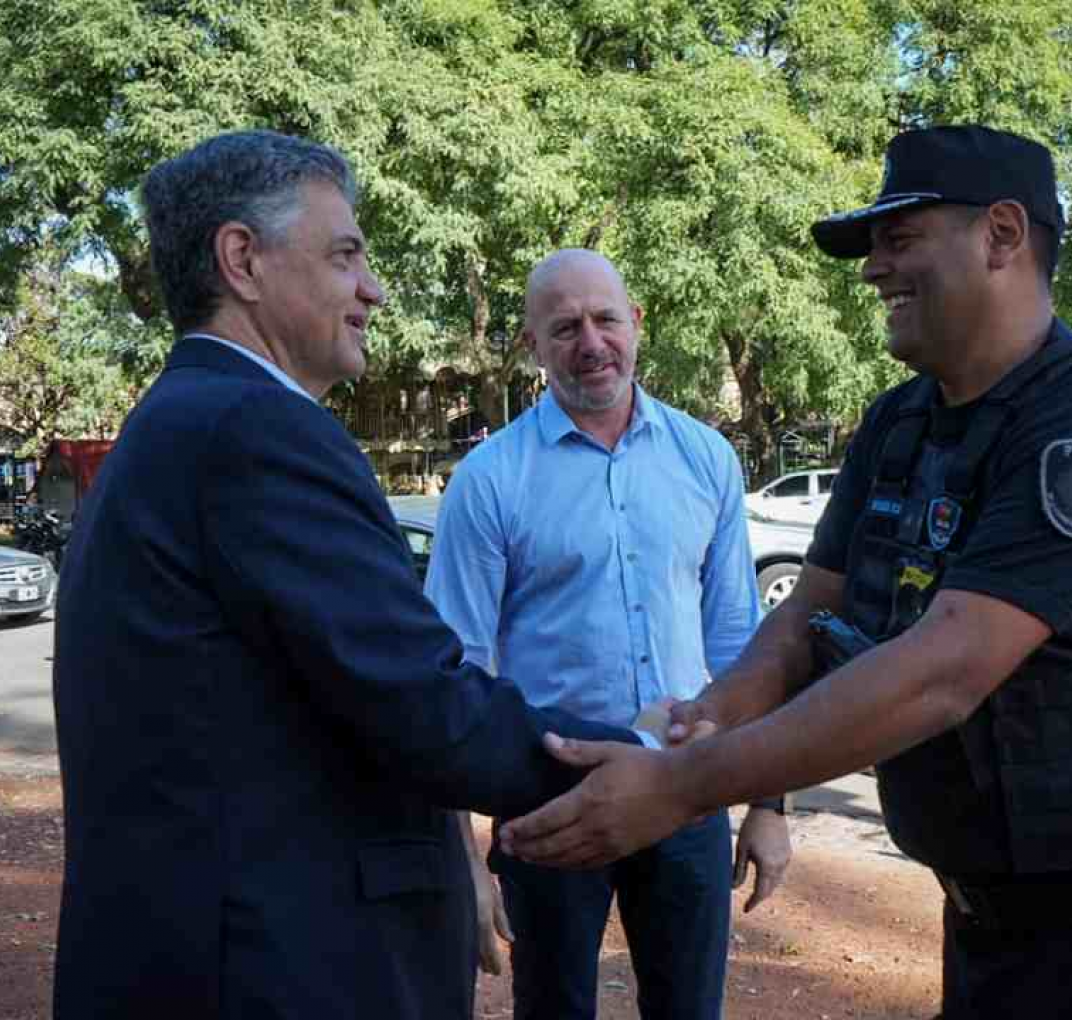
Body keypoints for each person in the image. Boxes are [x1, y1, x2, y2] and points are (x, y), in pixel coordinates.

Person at [497, 126, 1072, 1019]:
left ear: (1002, 235)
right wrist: (709, 716)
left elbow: (943, 673)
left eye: (900, 239)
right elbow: (807, 617)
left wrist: (680, 788)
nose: (872, 270)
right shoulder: (902, 426)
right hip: (988, 921)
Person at [50, 130, 647, 1020]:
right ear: (242, 260)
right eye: (344, 255)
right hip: (271, 968)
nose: (373, 288)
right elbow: (420, 703)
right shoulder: (255, 428)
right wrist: (652, 762)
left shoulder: (186, 418)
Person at [425, 249, 792, 1020]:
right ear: (531, 344)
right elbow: (454, 674)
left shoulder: (706, 458)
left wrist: (769, 804)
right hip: (546, 794)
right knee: (554, 1007)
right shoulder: (489, 481)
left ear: (637, 324)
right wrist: (463, 858)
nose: (591, 343)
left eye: (605, 319)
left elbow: (740, 641)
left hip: (686, 780)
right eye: (564, 328)